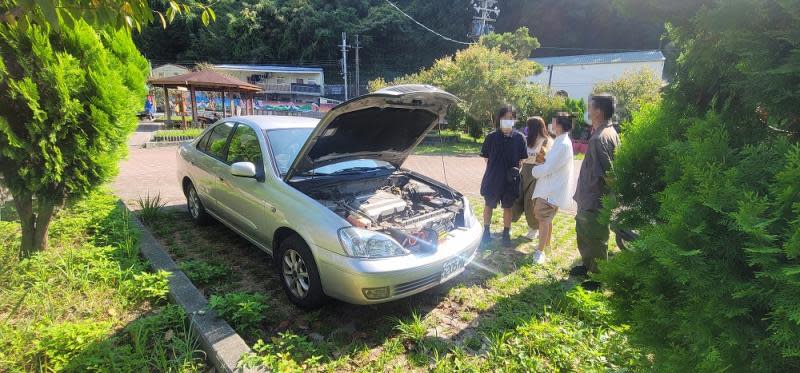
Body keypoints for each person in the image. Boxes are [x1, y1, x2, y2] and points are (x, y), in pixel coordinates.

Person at [572, 94, 620, 289]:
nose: (588, 111)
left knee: (596, 237)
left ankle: (599, 278)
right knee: (584, 233)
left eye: (590, 107)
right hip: (590, 197)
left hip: (596, 199)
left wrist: (610, 201)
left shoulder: (599, 138)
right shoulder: (608, 131)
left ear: (598, 111)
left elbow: (609, 174)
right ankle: (587, 265)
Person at [479, 106, 528, 248]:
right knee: (489, 204)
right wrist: (496, 170)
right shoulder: (491, 137)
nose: (507, 120)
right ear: (499, 119)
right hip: (493, 178)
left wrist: (513, 172)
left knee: (508, 207)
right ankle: (486, 231)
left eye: (510, 118)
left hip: (510, 180)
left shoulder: (519, 138)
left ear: (514, 120)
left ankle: (506, 233)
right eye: (504, 118)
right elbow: (486, 158)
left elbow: (521, 160)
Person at [530, 114, 575, 264]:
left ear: (559, 124)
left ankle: (540, 252)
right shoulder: (561, 141)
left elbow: (548, 167)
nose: (551, 124)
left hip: (550, 190)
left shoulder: (562, 144)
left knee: (543, 219)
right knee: (547, 220)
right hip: (551, 188)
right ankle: (546, 246)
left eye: (553, 122)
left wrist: (535, 170)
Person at [518, 117, 552, 241]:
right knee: (518, 198)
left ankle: (533, 228)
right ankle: (509, 223)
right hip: (524, 171)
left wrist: (530, 157)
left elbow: (543, 158)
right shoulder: (527, 140)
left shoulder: (546, 141)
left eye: (529, 126)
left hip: (536, 173)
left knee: (530, 201)